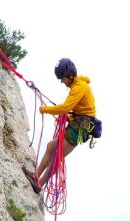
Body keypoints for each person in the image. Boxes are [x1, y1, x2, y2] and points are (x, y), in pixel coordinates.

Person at [24, 58, 97, 193]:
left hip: (80, 128)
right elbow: (81, 110)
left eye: (62, 78)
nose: (61, 81)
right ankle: (36, 176)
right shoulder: (76, 85)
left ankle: (39, 184)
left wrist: (44, 110)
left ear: (70, 75)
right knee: (51, 146)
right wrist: (68, 117)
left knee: (57, 157)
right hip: (77, 123)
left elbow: (65, 107)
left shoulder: (80, 87)